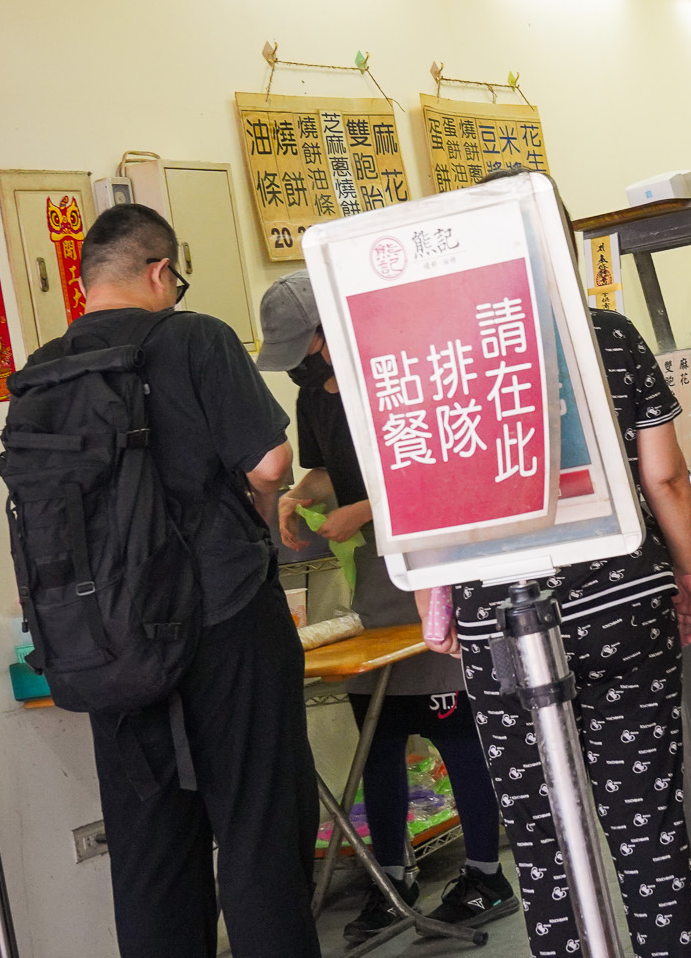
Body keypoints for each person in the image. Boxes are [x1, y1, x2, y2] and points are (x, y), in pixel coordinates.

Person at [423, 166, 691, 958]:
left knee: (543, 838)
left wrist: (438, 599)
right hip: (623, 605)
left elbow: (427, 495)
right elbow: (665, 475)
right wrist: (687, 571)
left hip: (500, 625)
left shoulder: (445, 362)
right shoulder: (608, 335)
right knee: (646, 821)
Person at [32, 203, 319, 958]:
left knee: (150, 849)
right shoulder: (195, 337)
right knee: (257, 829)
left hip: (105, 638)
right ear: (162, 271)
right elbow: (270, 464)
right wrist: (261, 517)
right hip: (221, 614)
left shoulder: (47, 370)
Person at [254, 273, 516, 946]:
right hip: (374, 575)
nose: (306, 361)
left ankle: (486, 872)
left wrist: (360, 509)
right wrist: (295, 495)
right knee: (379, 731)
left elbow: (428, 463)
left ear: (329, 326)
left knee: (456, 725)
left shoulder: (392, 368)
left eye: (307, 345)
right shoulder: (312, 390)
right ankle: (390, 873)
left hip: (427, 565)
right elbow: (328, 471)